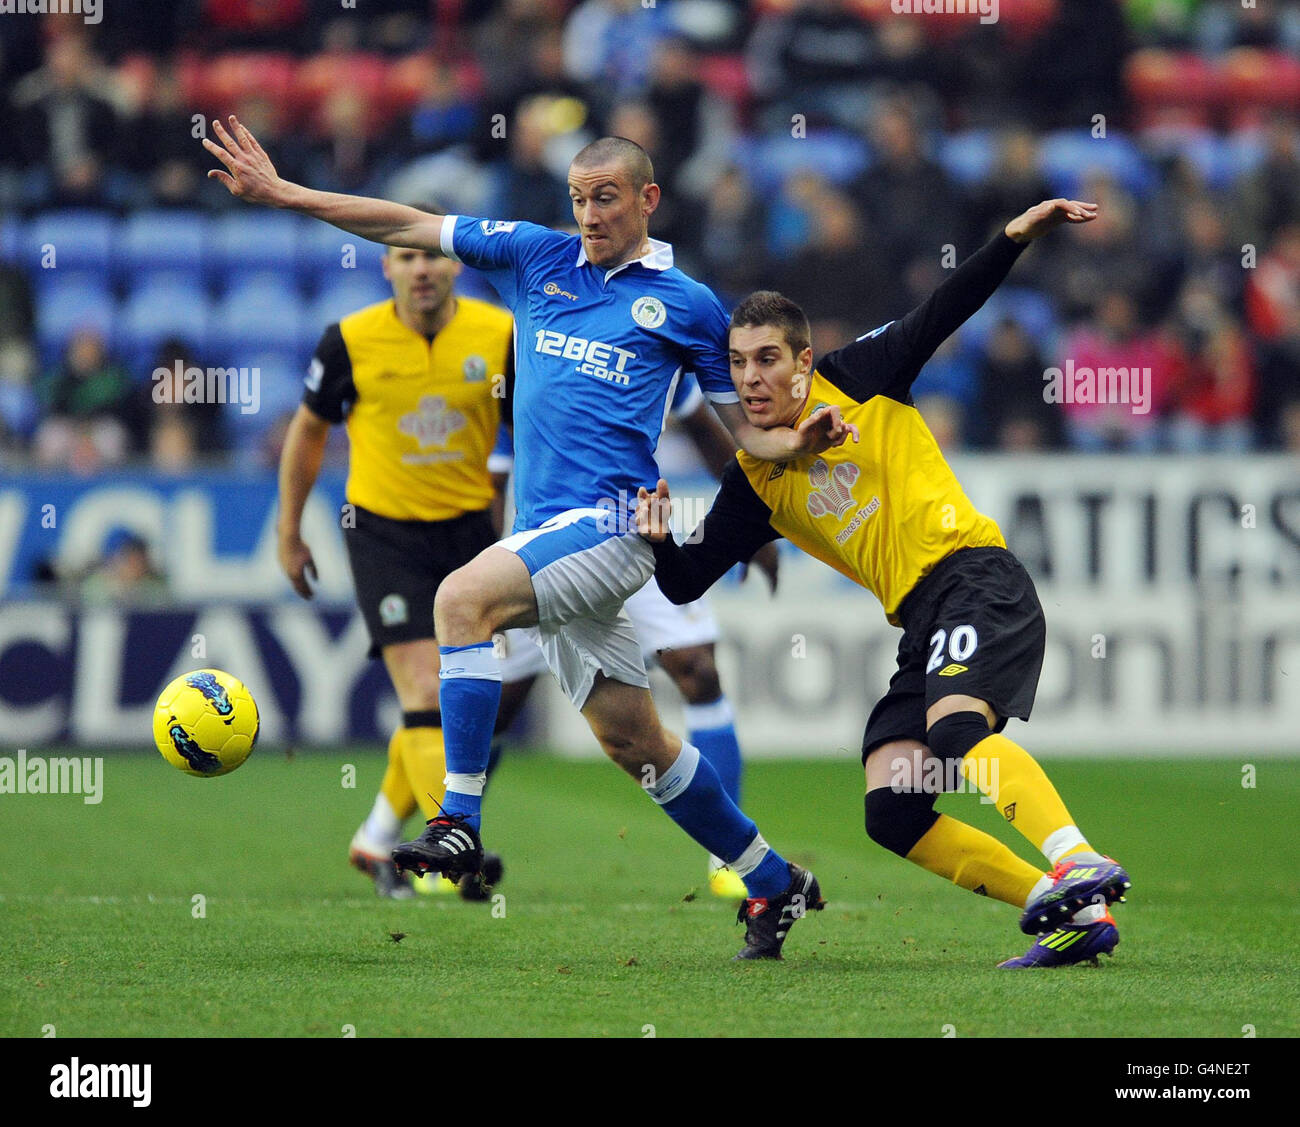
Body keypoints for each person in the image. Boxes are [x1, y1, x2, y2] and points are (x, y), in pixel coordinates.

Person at [205, 116, 854, 958]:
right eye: (579, 197)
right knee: (638, 742)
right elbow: (404, 222)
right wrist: (283, 192)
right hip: (545, 530)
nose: (589, 212)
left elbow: (743, 433)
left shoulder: (690, 306)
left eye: (607, 197)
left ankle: (458, 823)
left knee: (460, 599)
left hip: (614, 525)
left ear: (648, 199)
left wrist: (795, 442)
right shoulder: (535, 255)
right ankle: (773, 881)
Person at [637, 198, 1135, 969]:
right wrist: (657, 538)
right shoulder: (754, 481)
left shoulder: (860, 376)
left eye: (768, 358)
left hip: (975, 577)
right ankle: (1066, 907)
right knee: (894, 805)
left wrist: (1013, 238)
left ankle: (1075, 856)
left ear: (804, 361)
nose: (752, 376)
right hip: (922, 619)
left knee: (957, 732)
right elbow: (680, 582)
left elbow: (943, 308)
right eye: (738, 363)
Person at [276, 234, 512, 901]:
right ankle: (456, 846)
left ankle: (379, 835)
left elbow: (535, 427)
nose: (421, 268)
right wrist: (288, 528)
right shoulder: (348, 341)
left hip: (472, 531)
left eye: (431, 255)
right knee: (425, 685)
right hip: (384, 531)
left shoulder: (500, 334)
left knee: (465, 701)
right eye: (406, 257)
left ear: (455, 264)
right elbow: (309, 432)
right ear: (386, 268)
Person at [490, 373, 780, 899]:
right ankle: (449, 836)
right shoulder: (535, 346)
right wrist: (489, 580)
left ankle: (730, 857)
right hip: (541, 547)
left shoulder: (651, 335)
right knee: (497, 704)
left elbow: (703, 431)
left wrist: (750, 522)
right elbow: (494, 478)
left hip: (633, 533)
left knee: (699, 670)